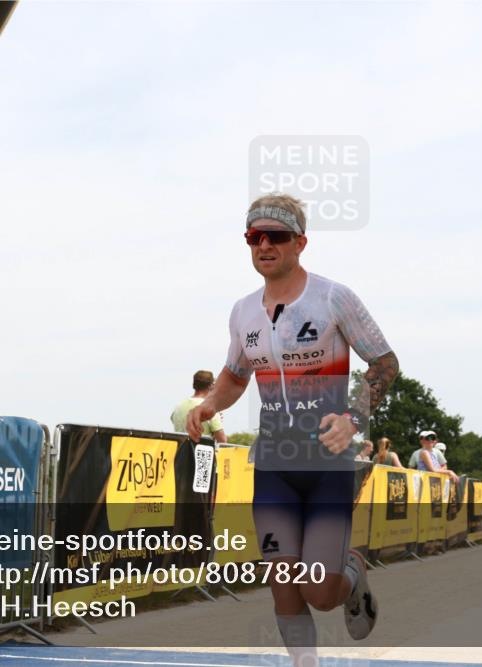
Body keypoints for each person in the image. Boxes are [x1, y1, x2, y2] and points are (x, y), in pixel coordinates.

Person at [185, 193, 399, 666]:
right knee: (282, 581)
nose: (264, 245)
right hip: (275, 465)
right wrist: (209, 406)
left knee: (319, 591)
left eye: (275, 236)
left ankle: (352, 572)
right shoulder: (243, 311)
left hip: (327, 463)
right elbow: (236, 376)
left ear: (300, 242)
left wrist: (354, 419)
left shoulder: (332, 298)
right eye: (253, 237)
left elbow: (384, 363)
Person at [170, 370, 227, 443]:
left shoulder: (178, 407)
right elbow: (222, 440)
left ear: (194, 385)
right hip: (200, 452)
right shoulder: (209, 408)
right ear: (211, 386)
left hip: (180, 452)